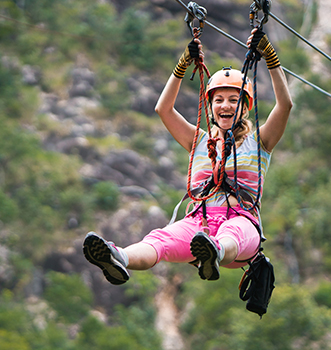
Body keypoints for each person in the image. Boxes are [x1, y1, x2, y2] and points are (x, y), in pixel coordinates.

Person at [83, 28, 292, 285]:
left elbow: (285, 106)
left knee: (231, 231)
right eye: (219, 100)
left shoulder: (260, 142)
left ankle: (214, 253)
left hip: (242, 223)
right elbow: (164, 109)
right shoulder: (200, 141)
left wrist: (271, 58)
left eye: (233, 100)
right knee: (161, 239)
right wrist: (182, 65)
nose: (225, 105)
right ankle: (119, 258)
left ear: (245, 107)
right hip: (199, 223)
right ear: (211, 107)